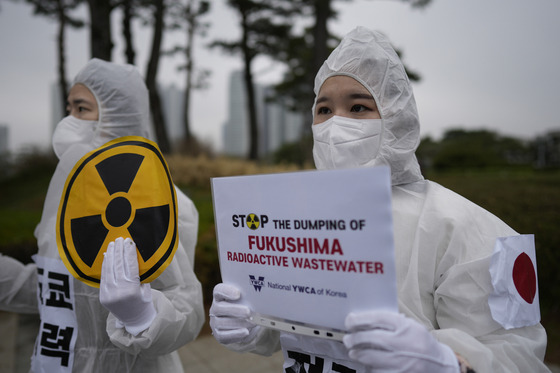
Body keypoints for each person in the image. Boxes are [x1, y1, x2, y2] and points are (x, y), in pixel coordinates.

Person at [209, 27, 550, 372]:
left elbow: (519, 354)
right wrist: (254, 322)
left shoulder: (468, 226)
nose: (335, 125)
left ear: (396, 116)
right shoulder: (294, 216)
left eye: (358, 107)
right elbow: (296, 322)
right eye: (324, 110)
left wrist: (448, 365)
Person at [0, 58, 204, 372]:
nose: (69, 121)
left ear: (119, 117)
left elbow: (186, 308)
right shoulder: (67, 197)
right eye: (69, 109)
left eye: (82, 109)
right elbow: (60, 290)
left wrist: (142, 315)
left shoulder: (163, 204)